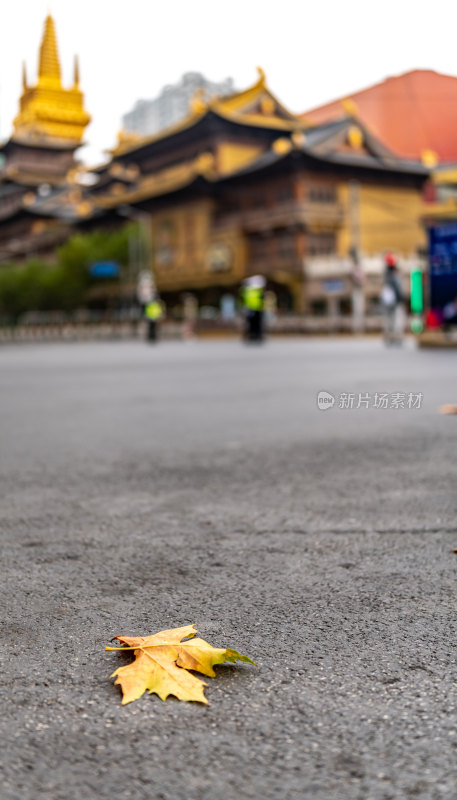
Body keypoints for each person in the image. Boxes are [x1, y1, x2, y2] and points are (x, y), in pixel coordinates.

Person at [381, 253, 406, 345]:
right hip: (394, 300)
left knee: (389, 319)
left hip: (389, 300)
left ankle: (390, 337)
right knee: (395, 319)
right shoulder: (393, 273)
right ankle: (394, 337)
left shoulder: (386, 273)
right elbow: (397, 286)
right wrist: (401, 297)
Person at [240, 276, 266, 342]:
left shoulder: (247, 291)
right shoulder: (257, 290)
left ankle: (253, 336)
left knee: (252, 324)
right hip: (256, 309)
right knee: (256, 324)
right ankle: (256, 336)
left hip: (252, 309)